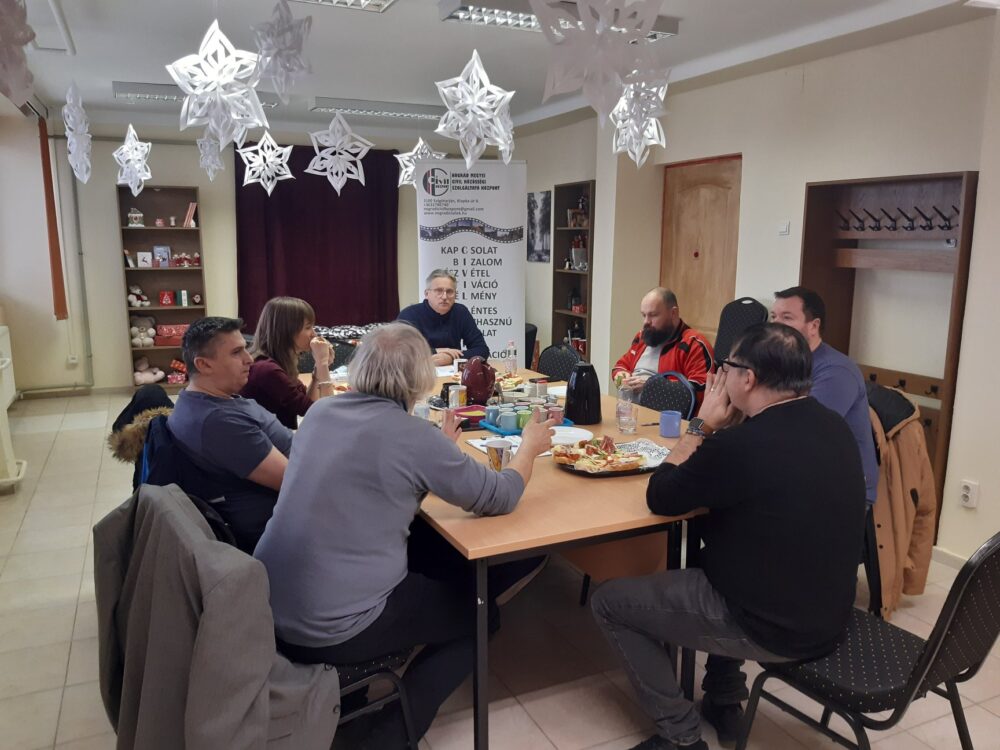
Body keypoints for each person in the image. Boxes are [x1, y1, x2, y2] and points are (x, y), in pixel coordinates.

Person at [255, 322, 556, 747]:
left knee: (430, 554)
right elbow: (500, 496)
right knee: (480, 615)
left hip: (271, 604)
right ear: (419, 377)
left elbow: (376, 481)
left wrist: (435, 452)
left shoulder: (322, 413)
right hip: (335, 625)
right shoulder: (413, 436)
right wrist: (529, 447)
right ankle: (390, 735)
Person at [592, 323, 867, 750]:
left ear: (748, 379)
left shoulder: (741, 445)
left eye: (726, 368)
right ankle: (723, 697)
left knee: (609, 602)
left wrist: (701, 426)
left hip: (769, 625)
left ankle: (681, 734)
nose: (720, 376)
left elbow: (660, 495)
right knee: (722, 561)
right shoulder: (835, 427)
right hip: (829, 613)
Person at [168, 317, 294, 553]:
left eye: (245, 349)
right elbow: (294, 482)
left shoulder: (205, 399)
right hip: (282, 526)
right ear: (204, 365)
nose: (249, 359)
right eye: (236, 352)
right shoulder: (219, 423)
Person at [771, 286, 878, 505]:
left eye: (787, 318)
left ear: (813, 326)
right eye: (773, 316)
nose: (775, 325)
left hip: (839, 491)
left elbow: (802, 432)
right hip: (798, 473)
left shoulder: (836, 371)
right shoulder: (781, 363)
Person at [240, 296, 334, 429]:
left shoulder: (278, 362)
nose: (313, 334)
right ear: (287, 331)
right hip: (272, 440)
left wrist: (318, 369)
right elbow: (323, 415)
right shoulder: (267, 370)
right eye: (308, 327)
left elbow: (306, 404)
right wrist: (322, 364)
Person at [612, 288, 714, 404]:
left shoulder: (694, 344)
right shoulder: (642, 337)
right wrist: (621, 376)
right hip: (628, 408)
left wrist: (651, 387)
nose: (646, 322)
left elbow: (699, 391)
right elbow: (621, 365)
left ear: (673, 313)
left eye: (653, 315)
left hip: (661, 412)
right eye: (644, 315)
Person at [397, 269, 490, 366]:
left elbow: (482, 350)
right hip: (418, 371)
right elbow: (399, 352)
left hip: (453, 372)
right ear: (427, 294)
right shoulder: (409, 314)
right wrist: (436, 351)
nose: (445, 297)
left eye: (449, 291)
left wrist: (451, 358)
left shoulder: (461, 312)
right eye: (439, 291)